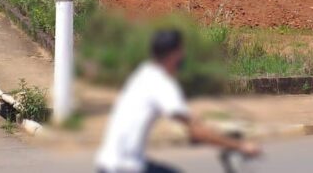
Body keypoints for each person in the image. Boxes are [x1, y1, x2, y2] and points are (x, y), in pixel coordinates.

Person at [95, 29, 261, 173]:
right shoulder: (162, 84)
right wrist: (239, 146)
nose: (183, 56)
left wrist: (197, 125)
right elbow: (197, 132)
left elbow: (188, 121)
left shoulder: (145, 72)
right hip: (124, 168)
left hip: (112, 164)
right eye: (181, 50)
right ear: (173, 54)